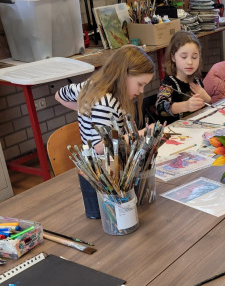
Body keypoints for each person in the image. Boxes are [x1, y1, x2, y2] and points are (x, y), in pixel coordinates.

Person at [55, 45, 155, 218]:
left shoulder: (92, 86)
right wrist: (140, 134)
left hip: (106, 175)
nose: (141, 91)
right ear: (124, 75)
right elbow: (101, 147)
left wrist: (86, 110)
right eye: (140, 84)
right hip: (104, 179)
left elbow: (59, 95)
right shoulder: (106, 102)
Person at [155, 31, 211, 124]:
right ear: (173, 57)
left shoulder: (196, 80)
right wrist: (186, 106)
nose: (190, 62)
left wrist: (207, 98)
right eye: (184, 57)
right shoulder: (168, 83)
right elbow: (160, 108)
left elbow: (207, 107)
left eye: (194, 57)